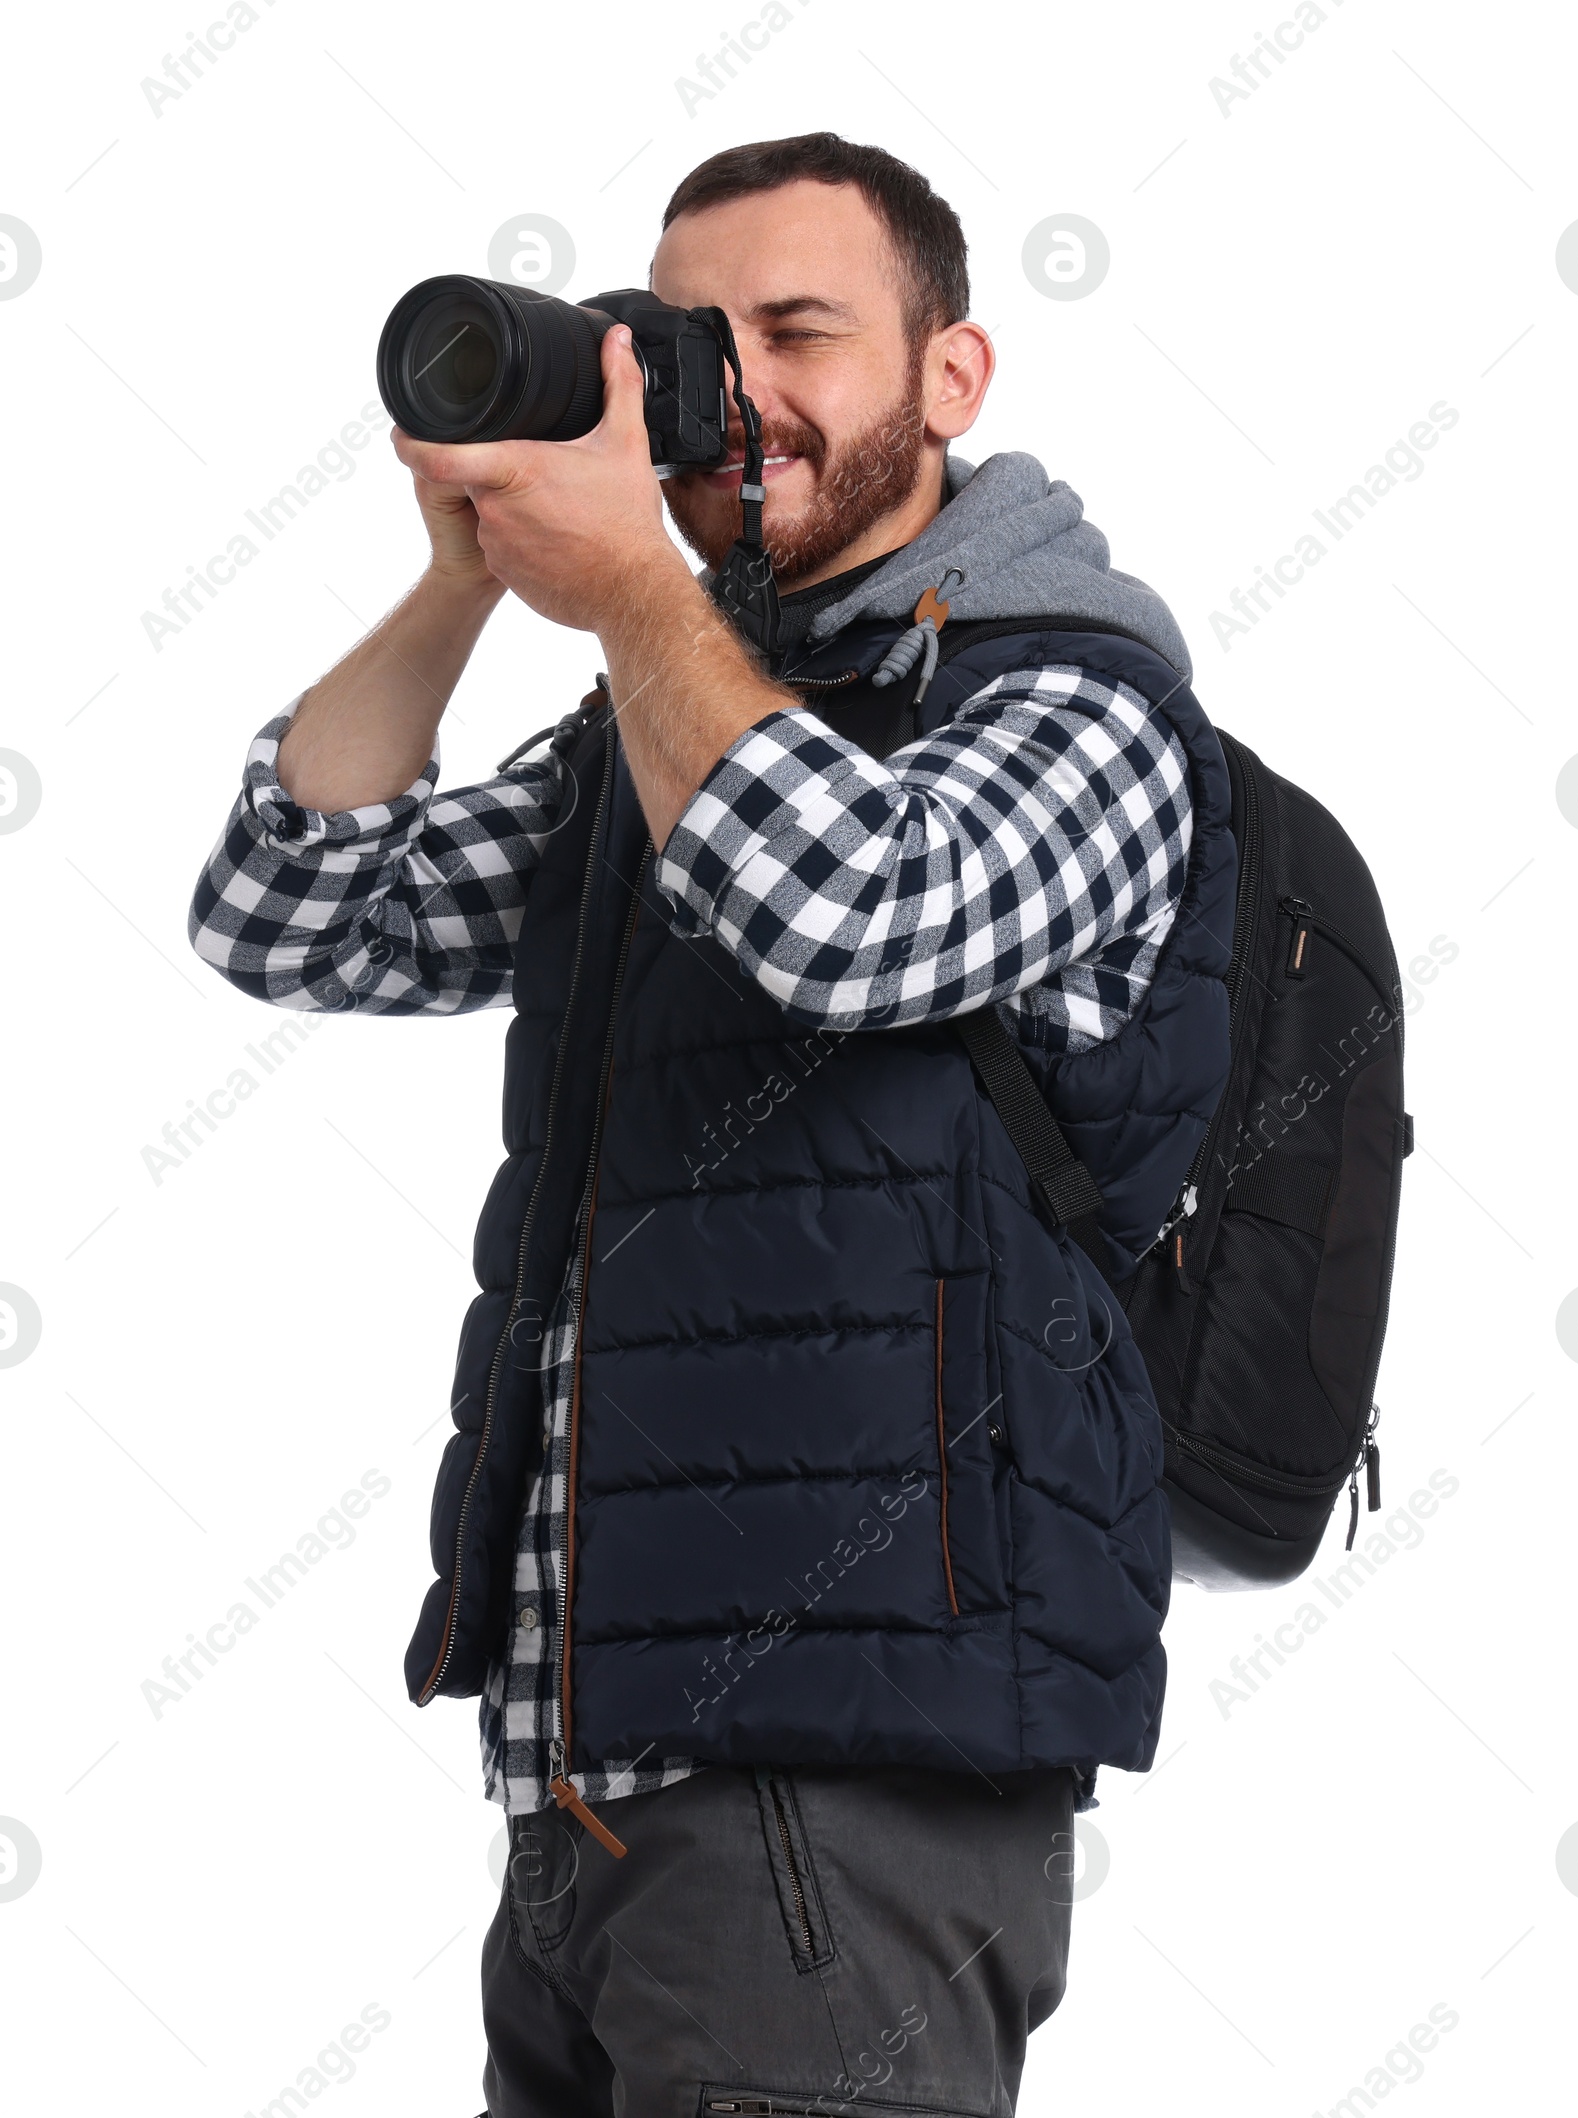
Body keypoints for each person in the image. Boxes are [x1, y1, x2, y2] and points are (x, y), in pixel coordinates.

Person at [190, 131, 1233, 2118]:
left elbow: (859, 915)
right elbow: (290, 913)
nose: (732, 381)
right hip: (587, 1781)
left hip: (846, 1771)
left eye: (799, 329)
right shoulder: (660, 719)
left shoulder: (1077, 693)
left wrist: (639, 600)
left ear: (950, 377)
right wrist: (467, 575)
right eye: (691, 333)